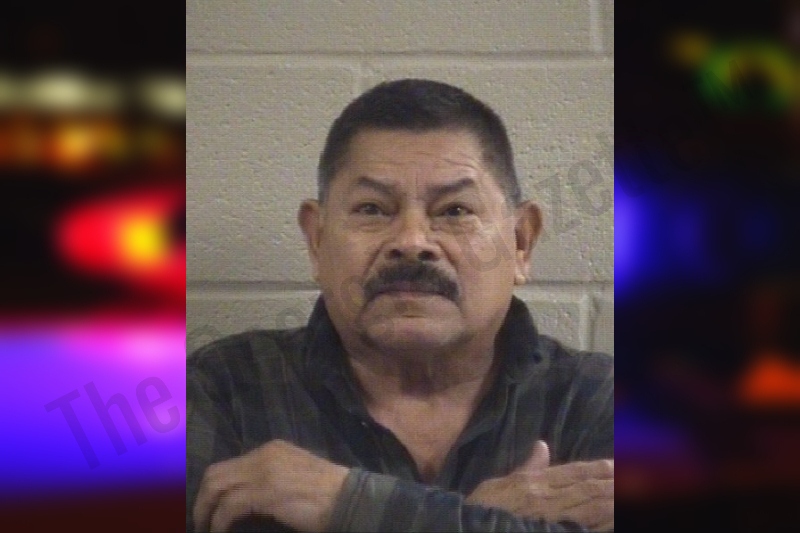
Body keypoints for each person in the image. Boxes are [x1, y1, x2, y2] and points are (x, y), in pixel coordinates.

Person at [187, 79, 614, 532]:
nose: (411, 242)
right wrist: (485, 521)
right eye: (372, 209)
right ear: (316, 240)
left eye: (454, 211)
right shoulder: (222, 391)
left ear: (521, 242)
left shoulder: (598, 400)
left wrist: (351, 505)